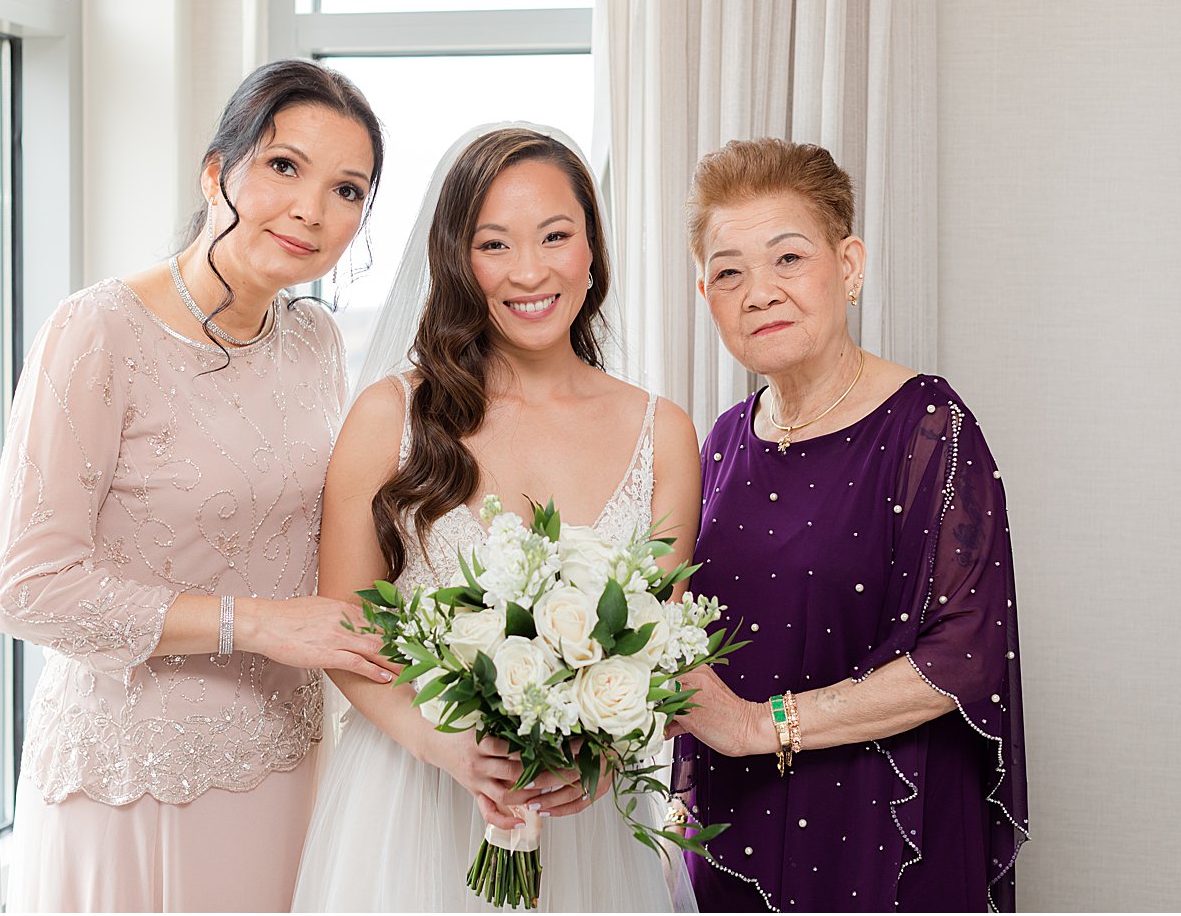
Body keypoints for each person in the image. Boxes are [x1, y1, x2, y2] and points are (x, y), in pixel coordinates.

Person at [0, 59, 399, 912]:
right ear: (218, 172)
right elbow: (30, 590)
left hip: (287, 764)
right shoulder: (99, 328)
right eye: (285, 167)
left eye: (347, 189)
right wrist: (256, 623)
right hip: (135, 773)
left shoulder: (315, 339)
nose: (311, 210)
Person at [290, 125, 702, 911]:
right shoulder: (391, 416)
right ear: (456, 259)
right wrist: (442, 743)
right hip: (410, 796)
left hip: (578, 820)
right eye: (494, 244)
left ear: (592, 250)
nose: (530, 271)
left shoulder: (664, 432)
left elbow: (659, 645)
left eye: (556, 235)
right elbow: (343, 630)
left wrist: (601, 756)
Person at [669, 138, 1028, 912]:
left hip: (886, 823)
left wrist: (754, 726)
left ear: (851, 265)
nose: (759, 291)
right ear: (708, 297)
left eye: (788, 258)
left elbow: (965, 655)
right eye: (730, 272)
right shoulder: (724, 440)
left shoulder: (929, 424)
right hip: (739, 821)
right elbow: (684, 631)